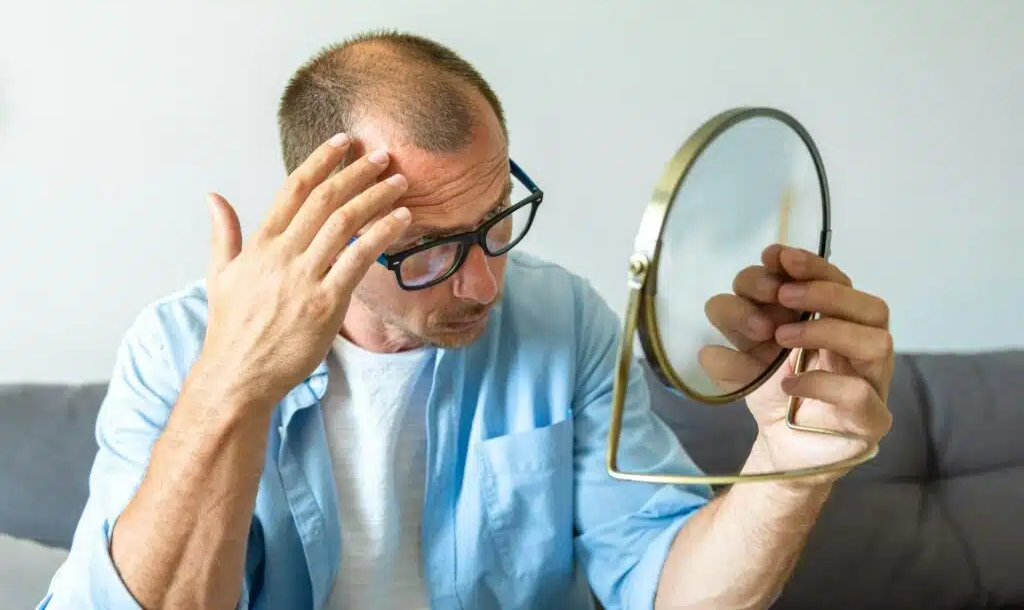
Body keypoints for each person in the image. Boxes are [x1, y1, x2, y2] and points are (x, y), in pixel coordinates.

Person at [38, 30, 894, 610]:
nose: (485, 283)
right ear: (322, 226)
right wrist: (235, 384)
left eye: (495, 221)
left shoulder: (562, 320)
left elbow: (669, 588)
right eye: (432, 248)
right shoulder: (179, 347)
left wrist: (790, 467)